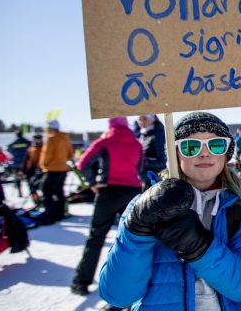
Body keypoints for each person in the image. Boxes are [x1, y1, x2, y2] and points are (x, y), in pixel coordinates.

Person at [99, 111, 241, 310]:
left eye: (216, 144)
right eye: (191, 147)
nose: (204, 153)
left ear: (226, 152)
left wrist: (200, 247)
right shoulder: (143, 205)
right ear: (174, 153)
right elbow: (118, 295)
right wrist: (135, 235)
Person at [71, 117, 144, 297]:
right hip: (132, 192)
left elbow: (82, 164)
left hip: (109, 191)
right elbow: (141, 169)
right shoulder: (137, 144)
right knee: (133, 239)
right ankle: (133, 285)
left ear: (110, 125)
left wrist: (92, 183)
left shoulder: (104, 142)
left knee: (96, 237)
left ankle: (81, 282)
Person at [39, 120, 74, 224]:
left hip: (52, 169)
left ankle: (50, 216)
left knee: (46, 191)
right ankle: (61, 213)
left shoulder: (51, 139)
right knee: (59, 191)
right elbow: (70, 154)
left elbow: (46, 154)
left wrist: (43, 165)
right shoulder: (65, 138)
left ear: (51, 128)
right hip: (63, 168)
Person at [136, 114, 166, 189]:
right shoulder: (143, 134)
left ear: (152, 119)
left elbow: (163, 162)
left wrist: (142, 161)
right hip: (146, 180)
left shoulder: (158, 134)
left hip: (156, 181)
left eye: (145, 118)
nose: (142, 122)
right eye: (140, 119)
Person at [7, 131, 31, 196]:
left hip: (16, 164)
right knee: (29, 178)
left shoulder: (13, 144)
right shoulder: (27, 142)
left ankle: (20, 192)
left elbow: (8, 149)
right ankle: (32, 192)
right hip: (25, 163)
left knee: (18, 179)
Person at [23, 134, 44, 204]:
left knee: (43, 186)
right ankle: (37, 201)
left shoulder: (44, 148)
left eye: (37, 140)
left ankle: (44, 200)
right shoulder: (31, 149)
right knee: (32, 187)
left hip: (43, 170)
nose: (36, 141)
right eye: (34, 140)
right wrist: (23, 170)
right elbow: (26, 160)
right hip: (31, 171)